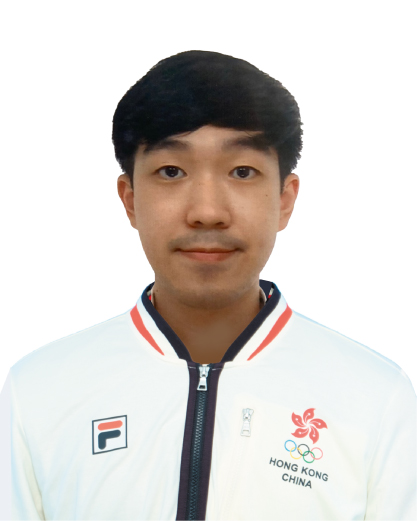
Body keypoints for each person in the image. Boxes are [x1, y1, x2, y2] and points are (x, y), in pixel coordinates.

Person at [1, 50, 415, 521]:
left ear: (284, 199)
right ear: (130, 199)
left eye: (242, 171)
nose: (207, 211)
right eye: (171, 172)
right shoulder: (37, 392)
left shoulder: (377, 399)